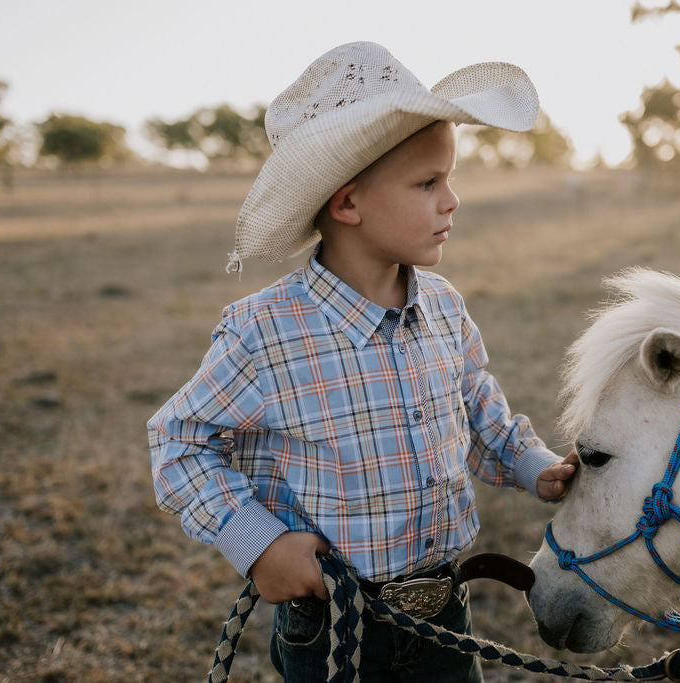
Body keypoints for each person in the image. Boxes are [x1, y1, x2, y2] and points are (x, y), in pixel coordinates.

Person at [148, 41, 578, 682]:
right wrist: (259, 545)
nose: (452, 200)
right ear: (348, 205)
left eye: (449, 178)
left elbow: (475, 406)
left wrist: (531, 464)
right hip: (334, 628)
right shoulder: (264, 332)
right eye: (428, 183)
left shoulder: (442, 307)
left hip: (444, 618)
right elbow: (177, 443)